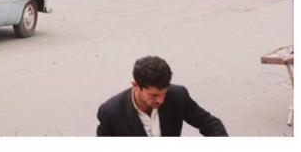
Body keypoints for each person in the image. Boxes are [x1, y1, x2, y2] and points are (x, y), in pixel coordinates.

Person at [96, 56, 228, 136]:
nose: (161, 100)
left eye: (164, 93)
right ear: (136, 86)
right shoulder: (110, 112)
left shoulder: (178, 96)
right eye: (154, 95)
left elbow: (209, 123)